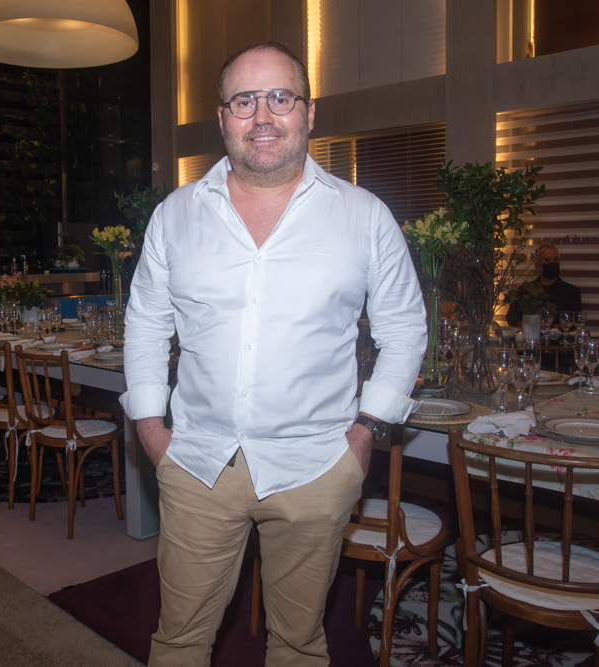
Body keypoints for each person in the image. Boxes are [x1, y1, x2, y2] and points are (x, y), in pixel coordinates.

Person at [119, 41, 426, 666]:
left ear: (309, 112)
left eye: (280, 97)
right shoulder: (175, 215)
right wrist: (151, 431)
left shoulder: (364, 217)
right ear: (222, 117)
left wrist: (365, 433)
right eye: (244, 101)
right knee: (179, 641)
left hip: (316, 467)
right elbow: (146, 323)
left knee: (299, 643)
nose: (262, 115)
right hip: (197, 464)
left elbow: (404, 330)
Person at [505, 243, 582, 327]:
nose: (552, 263)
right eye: (546, 260)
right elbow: (512, 317)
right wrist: (530, 326)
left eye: (555, 260)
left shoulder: (571, 292)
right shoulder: (525, 290)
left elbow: (573, 321)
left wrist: (550, 328)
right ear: (536, 265)